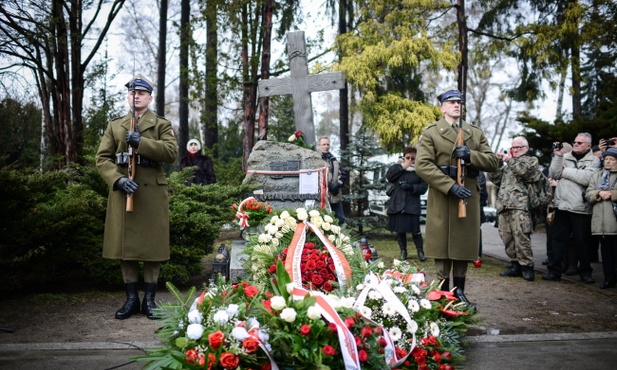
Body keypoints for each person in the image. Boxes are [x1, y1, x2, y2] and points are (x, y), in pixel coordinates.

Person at [96, 75, 178, 320]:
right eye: (132, 93)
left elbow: (172, 152)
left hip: (151, 192)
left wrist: (142, 142)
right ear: (127, 97)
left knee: (152, 247)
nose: (136, 96)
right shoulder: (115, 125)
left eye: (141, 93)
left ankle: (150, 300)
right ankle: (131, 299)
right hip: (126, 190)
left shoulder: (161, 124)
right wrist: (117, 179)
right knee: (127, 247)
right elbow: (102, 159)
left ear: (150, 97)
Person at [416, 88, 499, 309]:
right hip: (444, 194)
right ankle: (443, 291)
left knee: (463, 244)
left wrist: (471, 156)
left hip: (468, 194)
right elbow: (422, 165)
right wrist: (449, 186)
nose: (456, 105)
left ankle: (459, 291)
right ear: (442, 107)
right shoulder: (431, 132)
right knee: (442, 244)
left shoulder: (474, 133)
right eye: (451, 102)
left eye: (459, 102)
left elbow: (493, 162)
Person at [542, 133, 601, 284]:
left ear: (589, 145)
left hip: (580, 207)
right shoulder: (564, 157)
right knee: (557, 240)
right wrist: (558, 156)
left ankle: (585, 272)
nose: (576, 144)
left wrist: (565, 172)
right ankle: (554, 271)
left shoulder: (594, 160)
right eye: (575, 142)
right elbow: (554, 174)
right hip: (561, 205)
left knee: (583, 242)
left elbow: (588, 178)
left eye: (580, 143)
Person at [489, 136, 541, 281]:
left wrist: (509, 160)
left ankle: (527, 267)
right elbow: (495, 178)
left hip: (520, 207)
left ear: (526, 148)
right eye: (513, 147)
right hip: (504, 206)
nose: (515, 150)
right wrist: (497, 162)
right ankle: (515, 265)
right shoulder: (508, 166)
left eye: (518, 147)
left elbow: (525, 173)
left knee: (521, 237)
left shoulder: (531, 161)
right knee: (507, 237)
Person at [385, 147, 428, 261]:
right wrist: (402, 167)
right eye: (407, 157)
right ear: (404, 157)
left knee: (415, 230)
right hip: (398, 203)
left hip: (412, 205)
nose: (410, 160)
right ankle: (403, 251)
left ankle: (420, 251)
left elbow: (423, 188)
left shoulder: (420, 170)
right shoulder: (398, 167)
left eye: (413, 158)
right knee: (400, 230)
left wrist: (411, 187)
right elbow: (389, 176)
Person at [586, 147, 617, 289]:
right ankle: (608, 280)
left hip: (614, 221)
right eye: (606, 159)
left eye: (612, 159)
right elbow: (588, 194)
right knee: (606, 255)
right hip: (601, 223)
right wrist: (599, 193)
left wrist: (611, 194)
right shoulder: (597, 176)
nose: (608, 162)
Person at [317, 136, 348, 225]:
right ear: (318, 146)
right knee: (321, 221)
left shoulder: (334, 160)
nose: (326, 146)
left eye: (328, 144)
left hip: (334, 196)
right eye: (324, 144)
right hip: (320, 197)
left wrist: (338, 184)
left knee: (340, 220)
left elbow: (343, 175)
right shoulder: (314, 159)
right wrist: (327, 184)